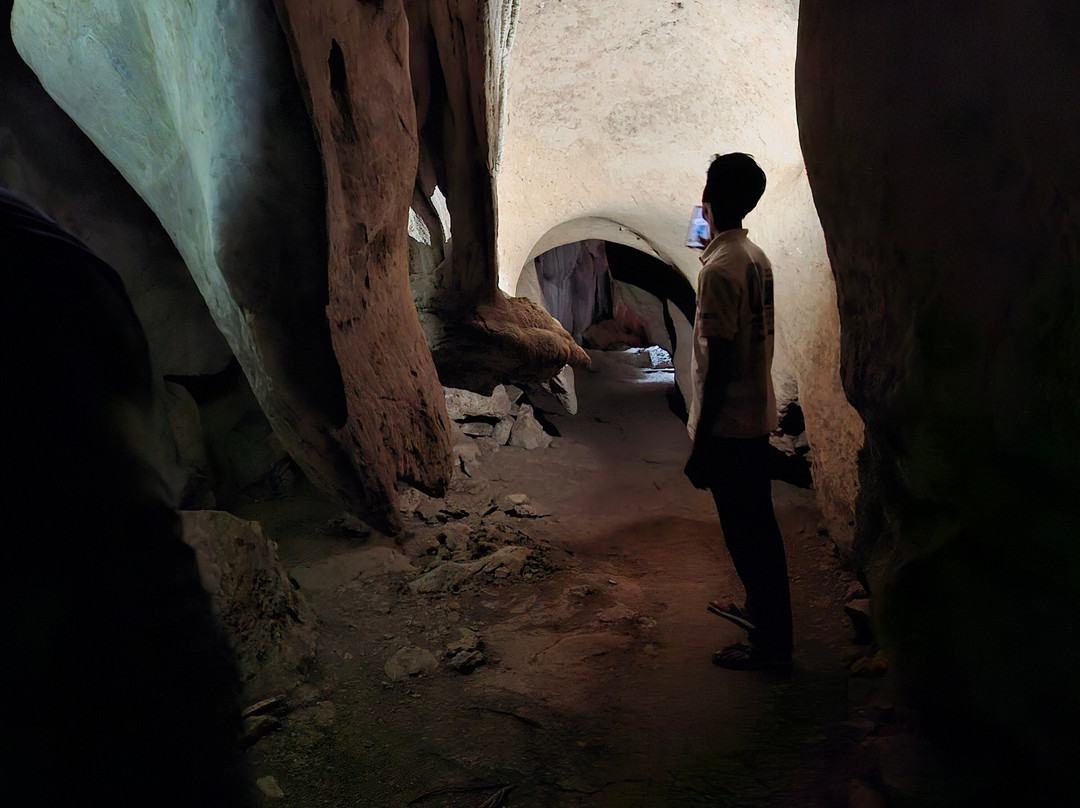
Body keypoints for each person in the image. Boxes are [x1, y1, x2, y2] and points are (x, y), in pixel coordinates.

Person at [683, 153, 793, 672]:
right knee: (758, 529)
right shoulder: (754, 257)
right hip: (752, 417)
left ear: (709, 197)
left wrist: (702, 446)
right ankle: (761, 614)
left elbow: (721, 361)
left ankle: (772, 645)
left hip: (729, 428)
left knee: (748, 536)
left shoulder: (720, 270)